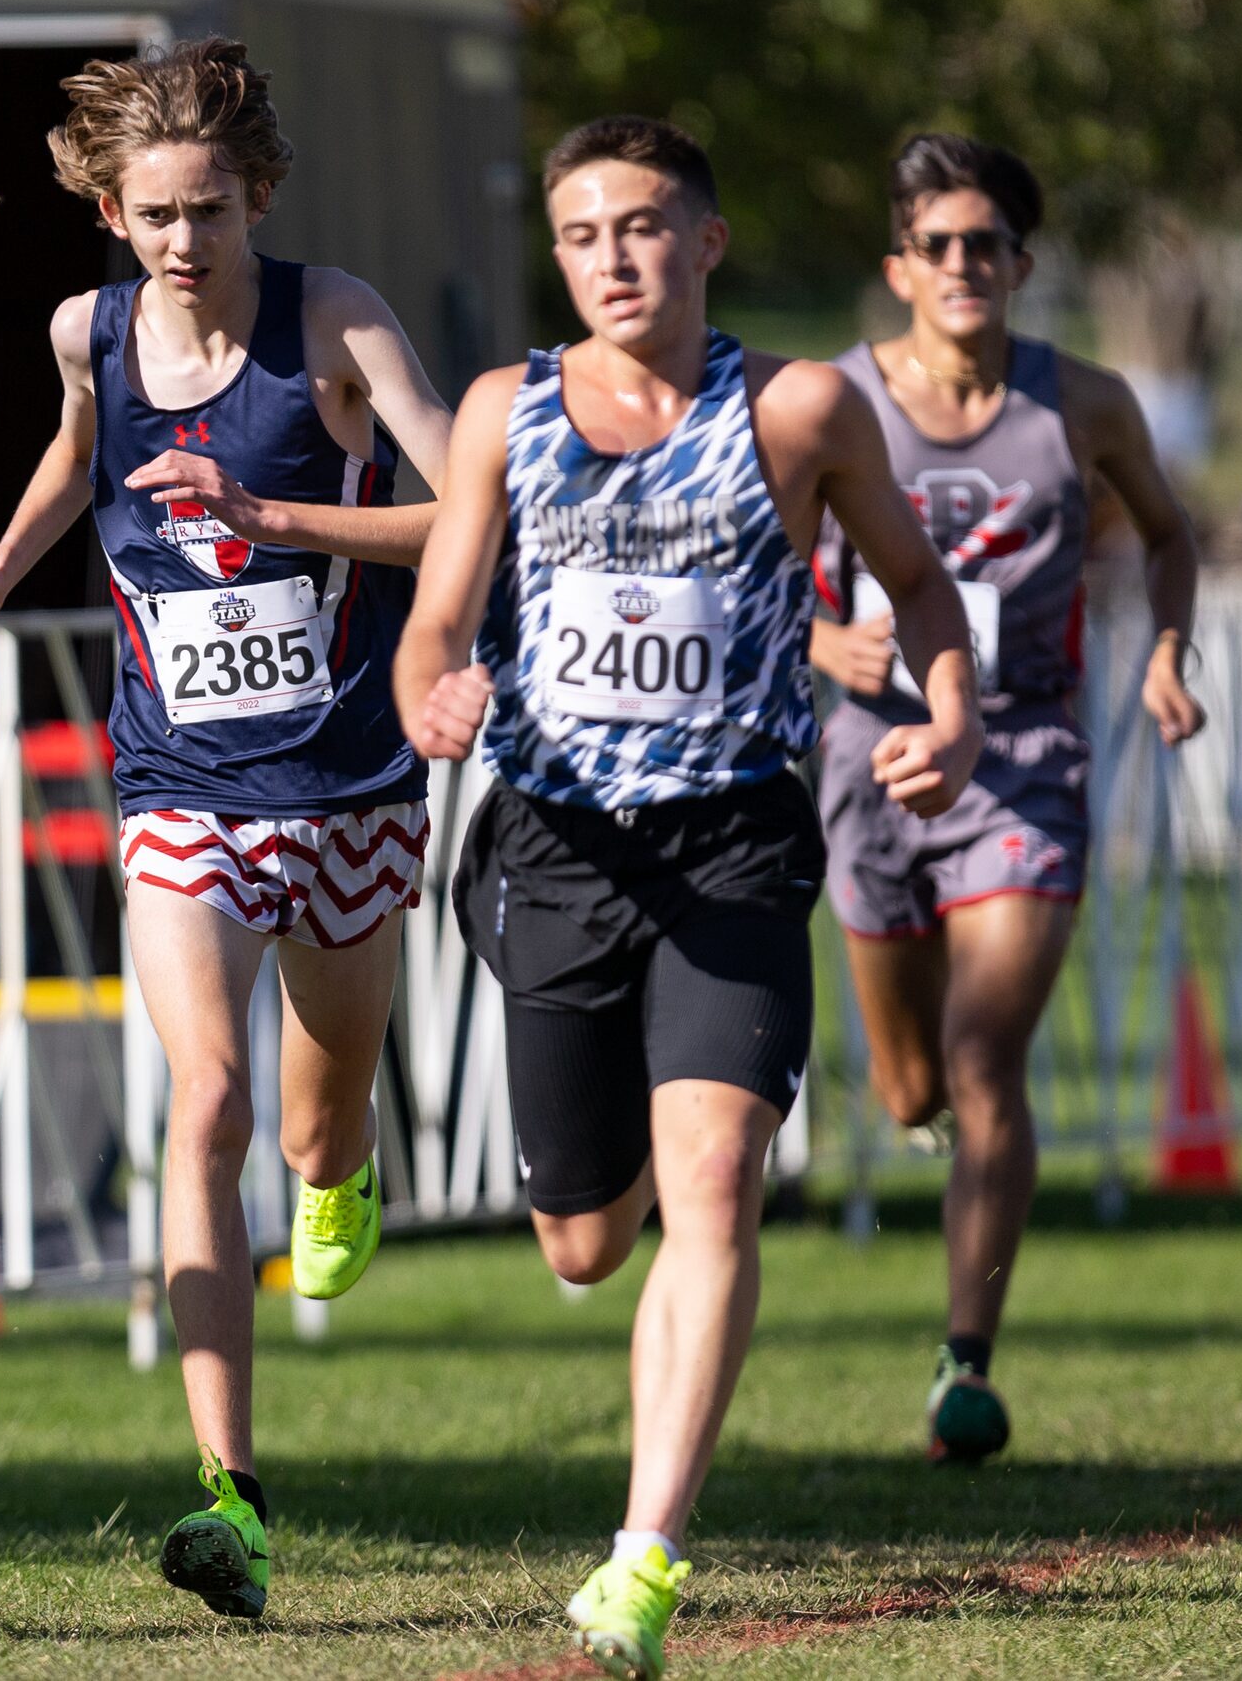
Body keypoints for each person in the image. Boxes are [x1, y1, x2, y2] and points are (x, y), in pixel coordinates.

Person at [394, 115, 981, 1681]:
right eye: (583, 234)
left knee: (712, 1178)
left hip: (732, 844)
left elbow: (916, 587)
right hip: (557, 849)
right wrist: (428, 694)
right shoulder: (501, 410)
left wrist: (950, 715)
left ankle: (643, 1552)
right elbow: (437, 613)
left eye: (643, 228)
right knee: (585, 1242)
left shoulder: (797, 407)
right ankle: (632, 1214)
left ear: (704, 241)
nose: (612, 258)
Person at [0, 38, 453, 1620]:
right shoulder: (89, 333)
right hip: (180, 784)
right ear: (106, 209)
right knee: (202, 1095)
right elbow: (84, 454)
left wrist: (288, 521)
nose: (182, 241)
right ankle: (234, 1493)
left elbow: (459, 502)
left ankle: (341, 1171)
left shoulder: (331, 320)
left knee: (311, 1113)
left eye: (207, 208)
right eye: (150, 212)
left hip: (345, 783)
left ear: (257, 195)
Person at [810, 133, 1202, 1465]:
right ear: (897, 267)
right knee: (911, 1077)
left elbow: (1166, 530)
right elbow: (747, 562)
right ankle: (918, 1113)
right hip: (871, 764)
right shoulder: (830, 402)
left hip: (1025, 759)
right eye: (938, 245)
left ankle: (963, 1360)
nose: (963, 264)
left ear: (1020, 265)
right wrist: (825, 646)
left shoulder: (1080, 402)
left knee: (984, 1061)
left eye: (985, 244)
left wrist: (1160, 650)